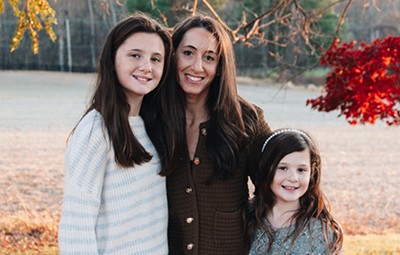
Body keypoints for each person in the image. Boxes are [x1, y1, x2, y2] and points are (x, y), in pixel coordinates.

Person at [157, 14, 272, 255]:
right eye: (188, 53)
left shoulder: (247, 119)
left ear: (220, 67)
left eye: (209, 57)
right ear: (172, 54)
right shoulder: (153, 117)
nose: (197, 67)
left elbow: (277, 185)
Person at [58, 13, 172, 254]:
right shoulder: (96, 129)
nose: (146, 67)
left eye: (156, 59)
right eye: (135, 55)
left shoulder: (151, 126)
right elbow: (76, 227)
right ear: (112, 60)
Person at [246, 129, 344, 254]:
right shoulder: (247, 216)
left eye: (301, 170)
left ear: (311, 173)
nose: (293, 178)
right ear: (265, 168)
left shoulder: (320, 232)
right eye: (283, 168)